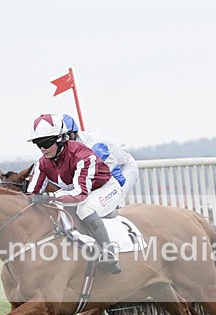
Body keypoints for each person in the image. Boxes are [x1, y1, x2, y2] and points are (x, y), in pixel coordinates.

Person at [27, 113, 122, 274]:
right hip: (78, 191)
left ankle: (108, 252)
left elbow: (80, 194)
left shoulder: (82, 155)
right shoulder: (42, 163)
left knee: (84, 209)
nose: (42, 148)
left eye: (46, 142)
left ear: (61, 139)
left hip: (105, 189)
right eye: (38, 144)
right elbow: (30, 195)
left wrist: (50, 197)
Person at [62, 114, 139, 207]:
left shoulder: (92, 145)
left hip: (123, 167)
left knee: (109, 202)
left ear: (73, 133)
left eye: (65, 137)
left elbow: (117, 178)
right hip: (104, 170)